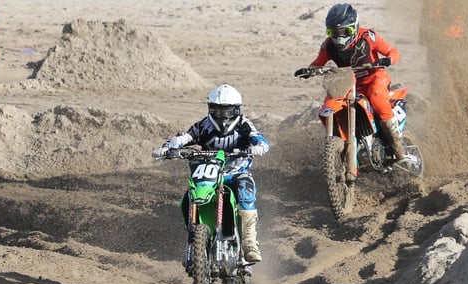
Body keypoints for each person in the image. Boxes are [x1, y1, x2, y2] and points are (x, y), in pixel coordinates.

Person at [152, 83, 270, 263]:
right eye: (217, 111)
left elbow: (260, 140)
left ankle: (250, 244)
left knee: (246, 194)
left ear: (237, 110)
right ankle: (193, 245)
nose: (222, 116)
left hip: (236, 173)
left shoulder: (245, 126)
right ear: (210, 109)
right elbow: (185, 137)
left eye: (228, 111)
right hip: (209, 174)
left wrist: (259, 147)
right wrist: (168, 147)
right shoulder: (204, 126)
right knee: (191, 195)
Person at [295, 3, 404, 164]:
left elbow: (393, 52)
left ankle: (397, 147)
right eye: (334, 32)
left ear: (354, 27)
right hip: (348, 82)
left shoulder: (368, 36)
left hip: (374, 78)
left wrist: (388, 60)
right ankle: (340, 140)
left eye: (345, 32)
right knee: (327, 104)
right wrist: (309, 71)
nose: (339, 37)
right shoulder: (328, 46)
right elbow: (318, 63)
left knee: (376, 96)